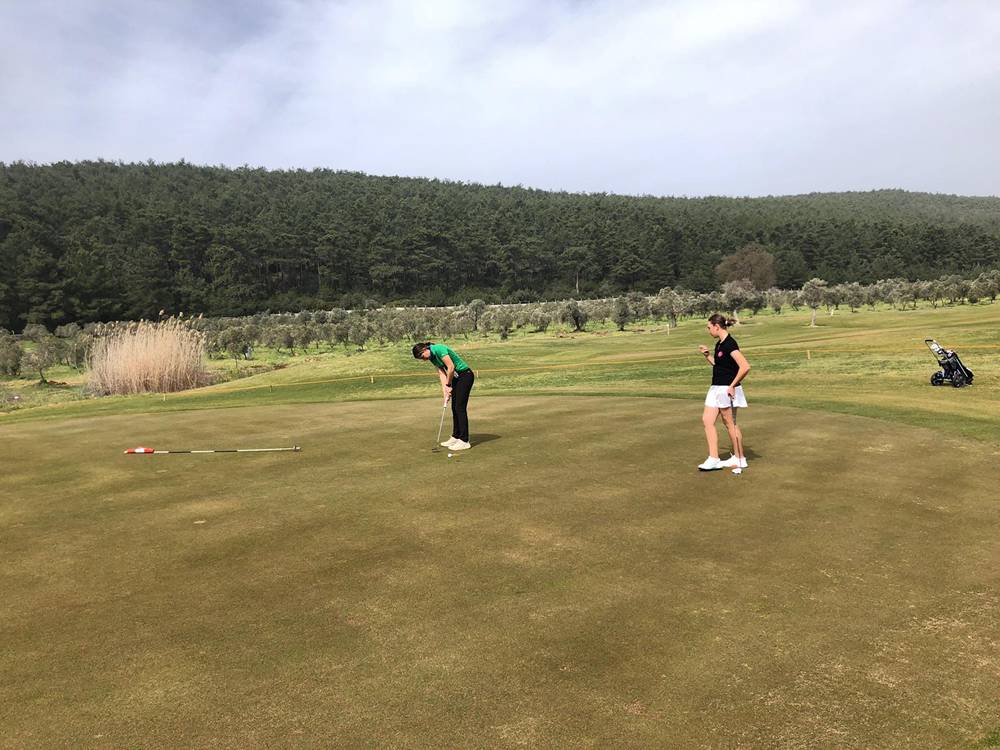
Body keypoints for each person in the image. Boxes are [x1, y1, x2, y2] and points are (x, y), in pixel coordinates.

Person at [696, 314, 751, 474]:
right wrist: (708, 356)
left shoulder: (729, 344)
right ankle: (713, 458)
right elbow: (720, 366)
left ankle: (740, 458)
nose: (709, 330)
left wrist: (732, 386)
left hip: (726, 389)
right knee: (707, 420)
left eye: (709, 327)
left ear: (717, 326)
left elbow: (745, 366)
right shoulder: (719, 344)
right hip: (715, 388)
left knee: (729, 423)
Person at [412, 341, 475, 450]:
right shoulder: (432, 358)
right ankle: (456, 436)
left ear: (424, 349)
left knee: (460, 408)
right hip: (455, 379)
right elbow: (442, 374)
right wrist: (445, 391)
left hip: (465, 375)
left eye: (422, 357)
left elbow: (451, 367)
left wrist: (448, 384)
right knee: (454, 407)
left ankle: (464, 440)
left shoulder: (439, 349)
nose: (423, 359)